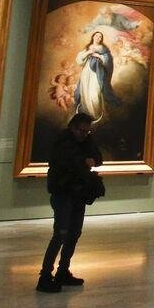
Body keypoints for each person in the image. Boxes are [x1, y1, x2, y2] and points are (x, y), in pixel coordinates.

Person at [38, 112, 103, 293]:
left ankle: (63, 271)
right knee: (60, 234)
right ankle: (45, 275)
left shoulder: (86, 140)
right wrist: (85, 161)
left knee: (74, 233)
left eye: (87, 131)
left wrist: (88, 161)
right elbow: (71, 163)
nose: (84, 134)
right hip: (63, 193)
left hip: (78, 193)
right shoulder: (62, 141)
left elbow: (98, 158)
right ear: (73, 127)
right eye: (81, 131)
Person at [74, 30, 118, 120]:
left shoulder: (103, 49)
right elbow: (79, 60)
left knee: (95, 94)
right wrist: (88, 52)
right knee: (85, 92)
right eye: (96, 36)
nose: (98, 37)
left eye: (100, 37)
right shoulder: (88, 47)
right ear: (93, 37)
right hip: (87, 72)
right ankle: (86, 116)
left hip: (97, 73)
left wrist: (99, 56)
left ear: (101, 39)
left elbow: (108, 60)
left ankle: (96, 115)